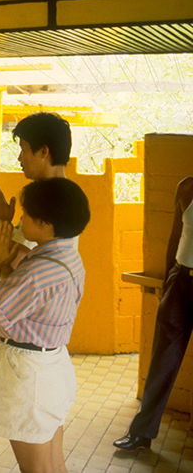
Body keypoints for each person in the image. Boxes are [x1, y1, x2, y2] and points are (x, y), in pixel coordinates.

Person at [0, 177, 91, 473]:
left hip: (30, 378)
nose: (20, 221)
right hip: (50, 367)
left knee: (38, 470)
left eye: (24, 216)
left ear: (43, 222)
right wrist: (2, 226)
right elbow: (20, 259)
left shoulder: (38, 274)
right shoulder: (64, 254)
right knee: (53, 466)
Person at [114, 176, 193, 451]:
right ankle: (142, 433)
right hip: (181, 281)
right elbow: (175, 236)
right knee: (163, 359)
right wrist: (168, 280)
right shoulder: (186, 188)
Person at [0, 112, 73, 268]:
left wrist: (1, 223)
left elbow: (17, 260)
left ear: (43, 152)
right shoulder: (65, 193)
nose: (19, 158)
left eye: (23, 150)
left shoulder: (50, 198)